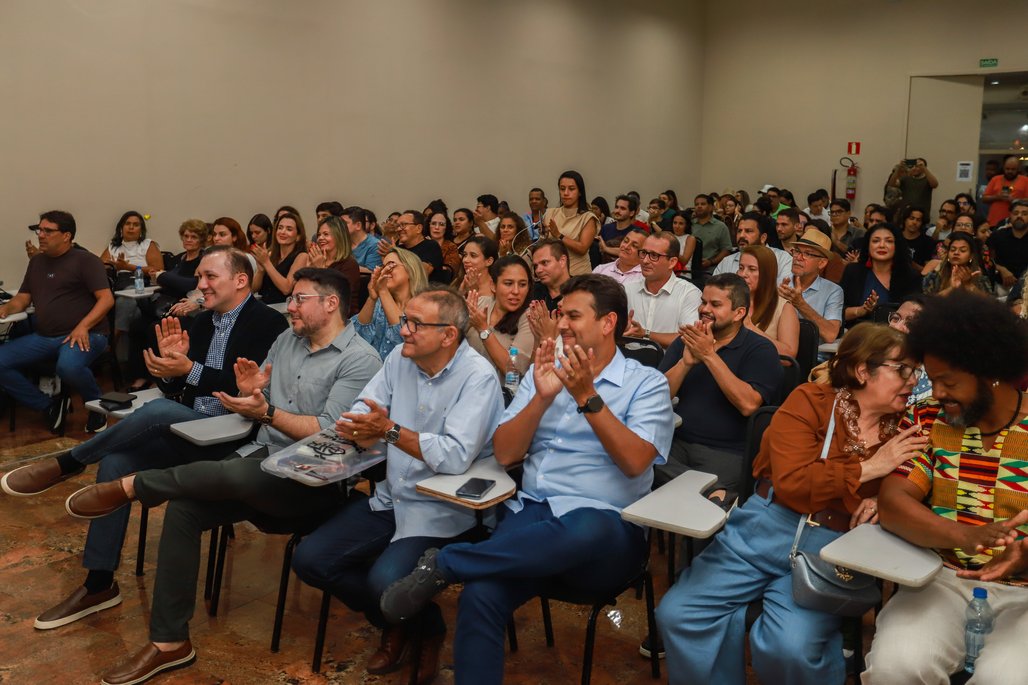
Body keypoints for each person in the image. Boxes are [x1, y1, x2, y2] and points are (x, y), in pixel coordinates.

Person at [62, 268, 381, 685]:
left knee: (238, 474)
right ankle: (170, 643)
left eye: (300, 299)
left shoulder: (360, 360)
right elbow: (255, 401)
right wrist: (253, 394)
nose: (291, 306)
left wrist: (265, 411)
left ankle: (134, 487)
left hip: (310, 483)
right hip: (256, 460)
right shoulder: (287, 340)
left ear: (331, 303)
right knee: (184, 510)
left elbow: (328, 434)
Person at [378, 274, 675, 685]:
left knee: (589, 524)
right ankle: (459, 570)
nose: (563, 324)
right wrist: (542, 397)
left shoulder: (646, 384)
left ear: (608, 323)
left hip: (603, 540)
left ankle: (447, 563)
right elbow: (506, 454)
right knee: (481, 596)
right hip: (530, 525)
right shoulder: (544, 372)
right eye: (560, 315)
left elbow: (635, 462)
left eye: (574, 315)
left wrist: (588, 397)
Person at [1, 247, 287, 630]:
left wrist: (190, 370)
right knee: (117, 462)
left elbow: (249, 392)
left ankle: (68, 462)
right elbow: (178, 390)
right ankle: (99, 583)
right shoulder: (202, 322)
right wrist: (168, 371)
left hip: (232, 438)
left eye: (209, 277)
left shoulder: (268, 324)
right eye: (199, 277)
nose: (199, 285)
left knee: (154, 413)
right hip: (190, 429)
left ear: (240, 280)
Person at [658, 323, 924, 685]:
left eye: (916, 371)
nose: (912, 380)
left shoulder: (909, 430)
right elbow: (794, 483)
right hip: (765, 526)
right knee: (679, 613)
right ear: (864, 370)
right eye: (903, 369)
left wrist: (882, 497)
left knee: (789, 647)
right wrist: (871, 469)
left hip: (833, 549)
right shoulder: (810, 401)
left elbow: (919, 491)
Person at [292, 287, 503, 682]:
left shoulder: (478, 377)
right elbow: (365, 405)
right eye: (405, 319)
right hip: (391, 497)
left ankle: (410, 625)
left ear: (448, 336)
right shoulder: (400, 359)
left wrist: (387, 430)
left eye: (414, 323)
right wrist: (358, 424)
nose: (402, 330)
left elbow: (455, 455)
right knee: (310, 561)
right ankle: (414, 621)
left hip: (444, 510)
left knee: (383, 583)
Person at [864, 292, 1028, 685]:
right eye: (932, 380)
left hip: (1024, 593)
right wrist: (964, 535)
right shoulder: (931, 420)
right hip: (943, 580)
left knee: (1003, 679)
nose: (936, 393)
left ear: (990, 372)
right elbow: (893, 500)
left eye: (948, 382)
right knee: (895, 667)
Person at [657, 273, 783, 494]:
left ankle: (698, 490)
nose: (705, 309)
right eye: (703, 302)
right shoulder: (687, 341)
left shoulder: (760, 350)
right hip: (676, 442)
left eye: (715, 304)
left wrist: (709, 356)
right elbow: (656, 396)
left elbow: (748, 405)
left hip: (726, 452)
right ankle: (705, 491)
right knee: (642, 462)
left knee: (672, 484)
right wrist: (685, 363)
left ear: (739, 313)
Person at [0, 210, 114, 434]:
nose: (41, 235)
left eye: (48, 231)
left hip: (88, 333)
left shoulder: (85, 260)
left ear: (66, 235)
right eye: (39, 230)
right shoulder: (37, 263)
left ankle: (97, 407)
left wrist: (83, 325)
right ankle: (49, 406)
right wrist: (5, 309)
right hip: (45, 336)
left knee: (68, 367)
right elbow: (23, 298)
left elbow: (106, 299)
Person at [126, 220, 208, 389]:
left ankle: (159, 377)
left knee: (154, 328)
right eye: (186, 236)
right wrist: (164, 278)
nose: (189, 240)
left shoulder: (203, 259)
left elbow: (190, 285)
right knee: (136, 326)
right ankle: (140, 374)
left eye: (193, 237)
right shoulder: (181, 258)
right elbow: (172, 282)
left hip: (188, 309)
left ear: (201, 240)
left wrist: (163, 276)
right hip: (168, 305)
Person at [623, 232, 701, 347]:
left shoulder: (689, 294)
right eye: (643, 253)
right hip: (629, 361)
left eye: (654, 255)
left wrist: (645, 334)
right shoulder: (627, 290)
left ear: (672, 262)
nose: (645, 261)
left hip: (668, 364)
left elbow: (689, 339)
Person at [466, 256, 534, 379]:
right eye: (508, 283)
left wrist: (483, 329)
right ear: (493, 285)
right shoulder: (480, 303)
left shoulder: (529, 319)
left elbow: (513, 373)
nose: (516, 291)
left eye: (523, 284)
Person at [353, 247, 428, 359]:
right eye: (383, 267)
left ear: (410, 270)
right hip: (372, 369)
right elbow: (356, 335)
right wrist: (372, 298)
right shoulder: (380, 303)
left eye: (391, 265)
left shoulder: (425, 308)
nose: (384, 271)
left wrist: (383, 291)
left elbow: (406, 339)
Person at [840, 223, 919, 323]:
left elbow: (913, 317)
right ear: (868, 246)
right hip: (855, 332)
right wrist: (861, 310)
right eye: (876, 241)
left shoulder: (910, 277)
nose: (882, 245)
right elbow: (836, 312)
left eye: (889, 241)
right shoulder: (853, 271)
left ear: (896, 246)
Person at [777, 228, 845, 345]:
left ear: (822, 263)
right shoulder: (778, 283)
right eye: (797, 251)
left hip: (815, 357)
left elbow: (830, 335)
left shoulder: (833, 291)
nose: (798, 257)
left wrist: (800, 303)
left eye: (807, 254)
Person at [737, 245, 799, 357]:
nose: (743, 274)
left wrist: (750, 327)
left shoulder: (784, 308)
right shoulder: (730, 302)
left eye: (752, 269)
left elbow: (788, 356)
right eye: (741, 268)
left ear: (767, 274)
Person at [539, 170, 598, 276]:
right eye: (562, 189)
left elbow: (582, 248)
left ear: (580, 192)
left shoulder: (588, 218)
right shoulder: (550, 213)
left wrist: (559, 235)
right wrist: (544, 235)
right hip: (553, 274)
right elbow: (543, 245)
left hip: (578, 275)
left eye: (571, 189)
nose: (566, 193)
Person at [714, 211, 793, 280]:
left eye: (748, 231)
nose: (741, 235)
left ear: (763, 238)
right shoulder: (727, 262)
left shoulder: (783, 259)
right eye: (739, 231)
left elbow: (782, 293)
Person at [252, 211, 310, 304]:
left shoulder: (302, 256)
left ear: (298, 236)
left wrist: (267, 263)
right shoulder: (270, 255)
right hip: (265, 306)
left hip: (285, 310)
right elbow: (253, 289)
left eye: (289, 229)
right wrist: (260, 270)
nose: (282, 232)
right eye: (280, 228)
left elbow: (286, 288)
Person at [308, 216, 361, 316]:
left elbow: (336, 298)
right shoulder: (316, 260)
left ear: (339, 236)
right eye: (319, 235)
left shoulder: (349, 264)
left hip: (341, 317)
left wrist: (320, 270)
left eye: (326, 234)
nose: (320, 238)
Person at [100, 211, 163, 283]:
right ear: (121, 228)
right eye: (127, 224)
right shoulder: (112, 247)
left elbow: (158, 271)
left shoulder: (148, 244)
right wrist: (113, 267)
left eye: (136, 225)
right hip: (118, 284)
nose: (131, 227)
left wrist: (128, 267)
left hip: (143, 284)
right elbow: (99, 268)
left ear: (141, 230)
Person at [922, 232, 993, 295]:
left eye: (962, 250)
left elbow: (991, 303)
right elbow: (927, 303)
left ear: (971, 256)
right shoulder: (933, 277)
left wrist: (969, 286)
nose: (956, 253)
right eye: (953, 250)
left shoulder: (980, 279)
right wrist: (951, 288)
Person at [988, 199, 1028, 290]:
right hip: (1001, 286)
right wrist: (1001, 269)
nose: (1019, 216)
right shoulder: (998, 236)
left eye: (1024, 214)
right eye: (1016, 213)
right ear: (1010, 215)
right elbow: (987, 259)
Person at [395, 210, 445, 282]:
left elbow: (419, 275)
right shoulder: (399, 248)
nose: (399, 229)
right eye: (398, 226)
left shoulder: (431, 246)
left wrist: (397, 254)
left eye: (403, 225)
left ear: (419, 228)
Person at [982, 154, 1028, 227]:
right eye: (1007, 169)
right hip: (994, 221)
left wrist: (1015, 200)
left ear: (1018, 169)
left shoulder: (1025, 181)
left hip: (1016, 222)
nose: (1010, 171)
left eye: (1013, 169)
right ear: (1003, 168)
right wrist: (997, 197)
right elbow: (984, 198)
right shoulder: (995, 179)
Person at [692, 194, 733, 274]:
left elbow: (726, 250)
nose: (699, 206)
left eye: (703, 204)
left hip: (711, 270)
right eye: (696, 204)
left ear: (711, 207)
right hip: (689, 270)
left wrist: (711, 262)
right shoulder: (689, 225)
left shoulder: (721, 227)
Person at [528, 238, 570, 312]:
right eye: (535, 266)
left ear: (562, 261)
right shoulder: (531, 292)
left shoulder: (581, 292)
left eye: (544, 263)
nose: (538, 270)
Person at [598, 195, 643, 260]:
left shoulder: (637, 232)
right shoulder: (605, 228)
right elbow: (600, 251)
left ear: (632, 213)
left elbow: (633, 253)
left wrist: (606, 249)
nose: (617, 211)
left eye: (622, 208)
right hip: (605, 268)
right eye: (616, 207)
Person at [895, 204, 934, 270]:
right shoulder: (895, 236)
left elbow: (927, 271)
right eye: (911, 218)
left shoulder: (927, 241)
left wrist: (910, 263)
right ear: (905, 220)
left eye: (918, 220)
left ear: (922, 223)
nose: (914, 222)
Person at [344, 206, 383, 272]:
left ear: (358, 225)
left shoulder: (375, 245)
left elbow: (371, 272)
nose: (340, 226)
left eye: (345, 223)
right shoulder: (342, 242)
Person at [427, 211, 462, 281]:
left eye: (441, 224)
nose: (437, 227)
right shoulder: (421, 243)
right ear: (429, 225)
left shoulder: (451, 247)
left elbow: (449, 272)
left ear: (446, 228)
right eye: (433, 223)